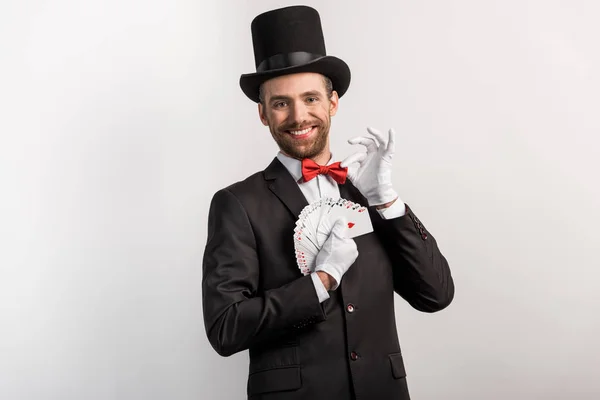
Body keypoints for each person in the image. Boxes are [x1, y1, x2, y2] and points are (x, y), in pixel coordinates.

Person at [202, 5, 454, 400]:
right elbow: (225, 327)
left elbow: (436, 294)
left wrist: (386, 201)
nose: (299, 116)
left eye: (310, 98)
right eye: (281, 103)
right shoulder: (237, 204)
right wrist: (319, 283)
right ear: (263, 114)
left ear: (332, 103)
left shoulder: (366, 192)